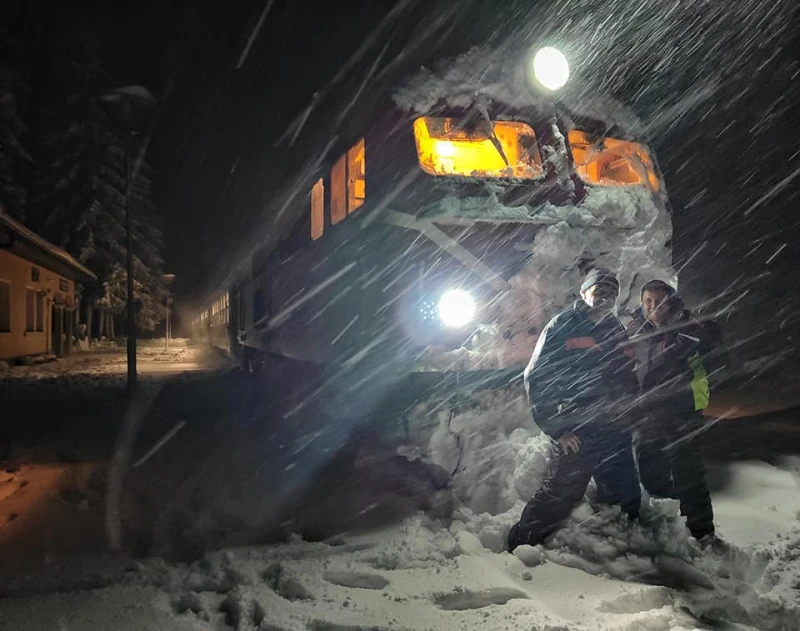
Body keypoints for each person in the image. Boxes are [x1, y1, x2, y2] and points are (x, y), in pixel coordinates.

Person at [507, 268, 641, 553]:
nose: (605, 297)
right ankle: (522, 544)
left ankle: (623, 544)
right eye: (598, 291)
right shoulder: (563, 325)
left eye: (611, 293)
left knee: (624, 486)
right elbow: (537, 376)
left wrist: (629, 415)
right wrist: (558, 429)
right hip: (577, 426)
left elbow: (626, 374)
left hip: (613, 425)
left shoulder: (613, 326)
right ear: (583, 293)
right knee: (563, 491)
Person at [627, 279, 726, 542]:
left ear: (671, 301)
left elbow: (717, 352)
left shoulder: (689, 328)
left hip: (682, 412)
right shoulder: (637, 331)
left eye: (659, 300)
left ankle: (702, 533)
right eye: (648, 301)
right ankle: (667, 519)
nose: (654, 306)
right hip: (648, 413)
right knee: (650, 472)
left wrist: (699, 337)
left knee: (688, 473)